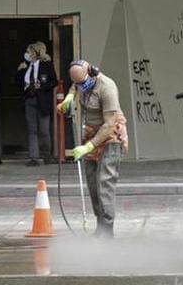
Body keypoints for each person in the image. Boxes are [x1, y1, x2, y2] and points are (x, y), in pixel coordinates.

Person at [57, 60, 128, 238]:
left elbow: (110, 124)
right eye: (77, 83)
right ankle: (100, 226)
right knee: (92, 183)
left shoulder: (107, 87)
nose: (80, 86)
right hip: (91, 133)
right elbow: (75, 86)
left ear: (91, 72)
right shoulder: (79, 82)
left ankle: (107, 230)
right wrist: (69, 98)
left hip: (111, 136)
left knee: (104, 182)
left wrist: (89, 146)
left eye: (82, 82)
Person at [16, 41, 57, 166]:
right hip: (30, 99)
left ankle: (47, 155)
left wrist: (42, 86)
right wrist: (19, 71)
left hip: (42, 100)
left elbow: (54, 81)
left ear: (36, 52)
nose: (27, 54)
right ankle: (34, 158)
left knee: (44, 130)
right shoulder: (26, 66)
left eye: (29, 52)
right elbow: (18, 83)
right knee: (32, 130)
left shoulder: (46, 65)